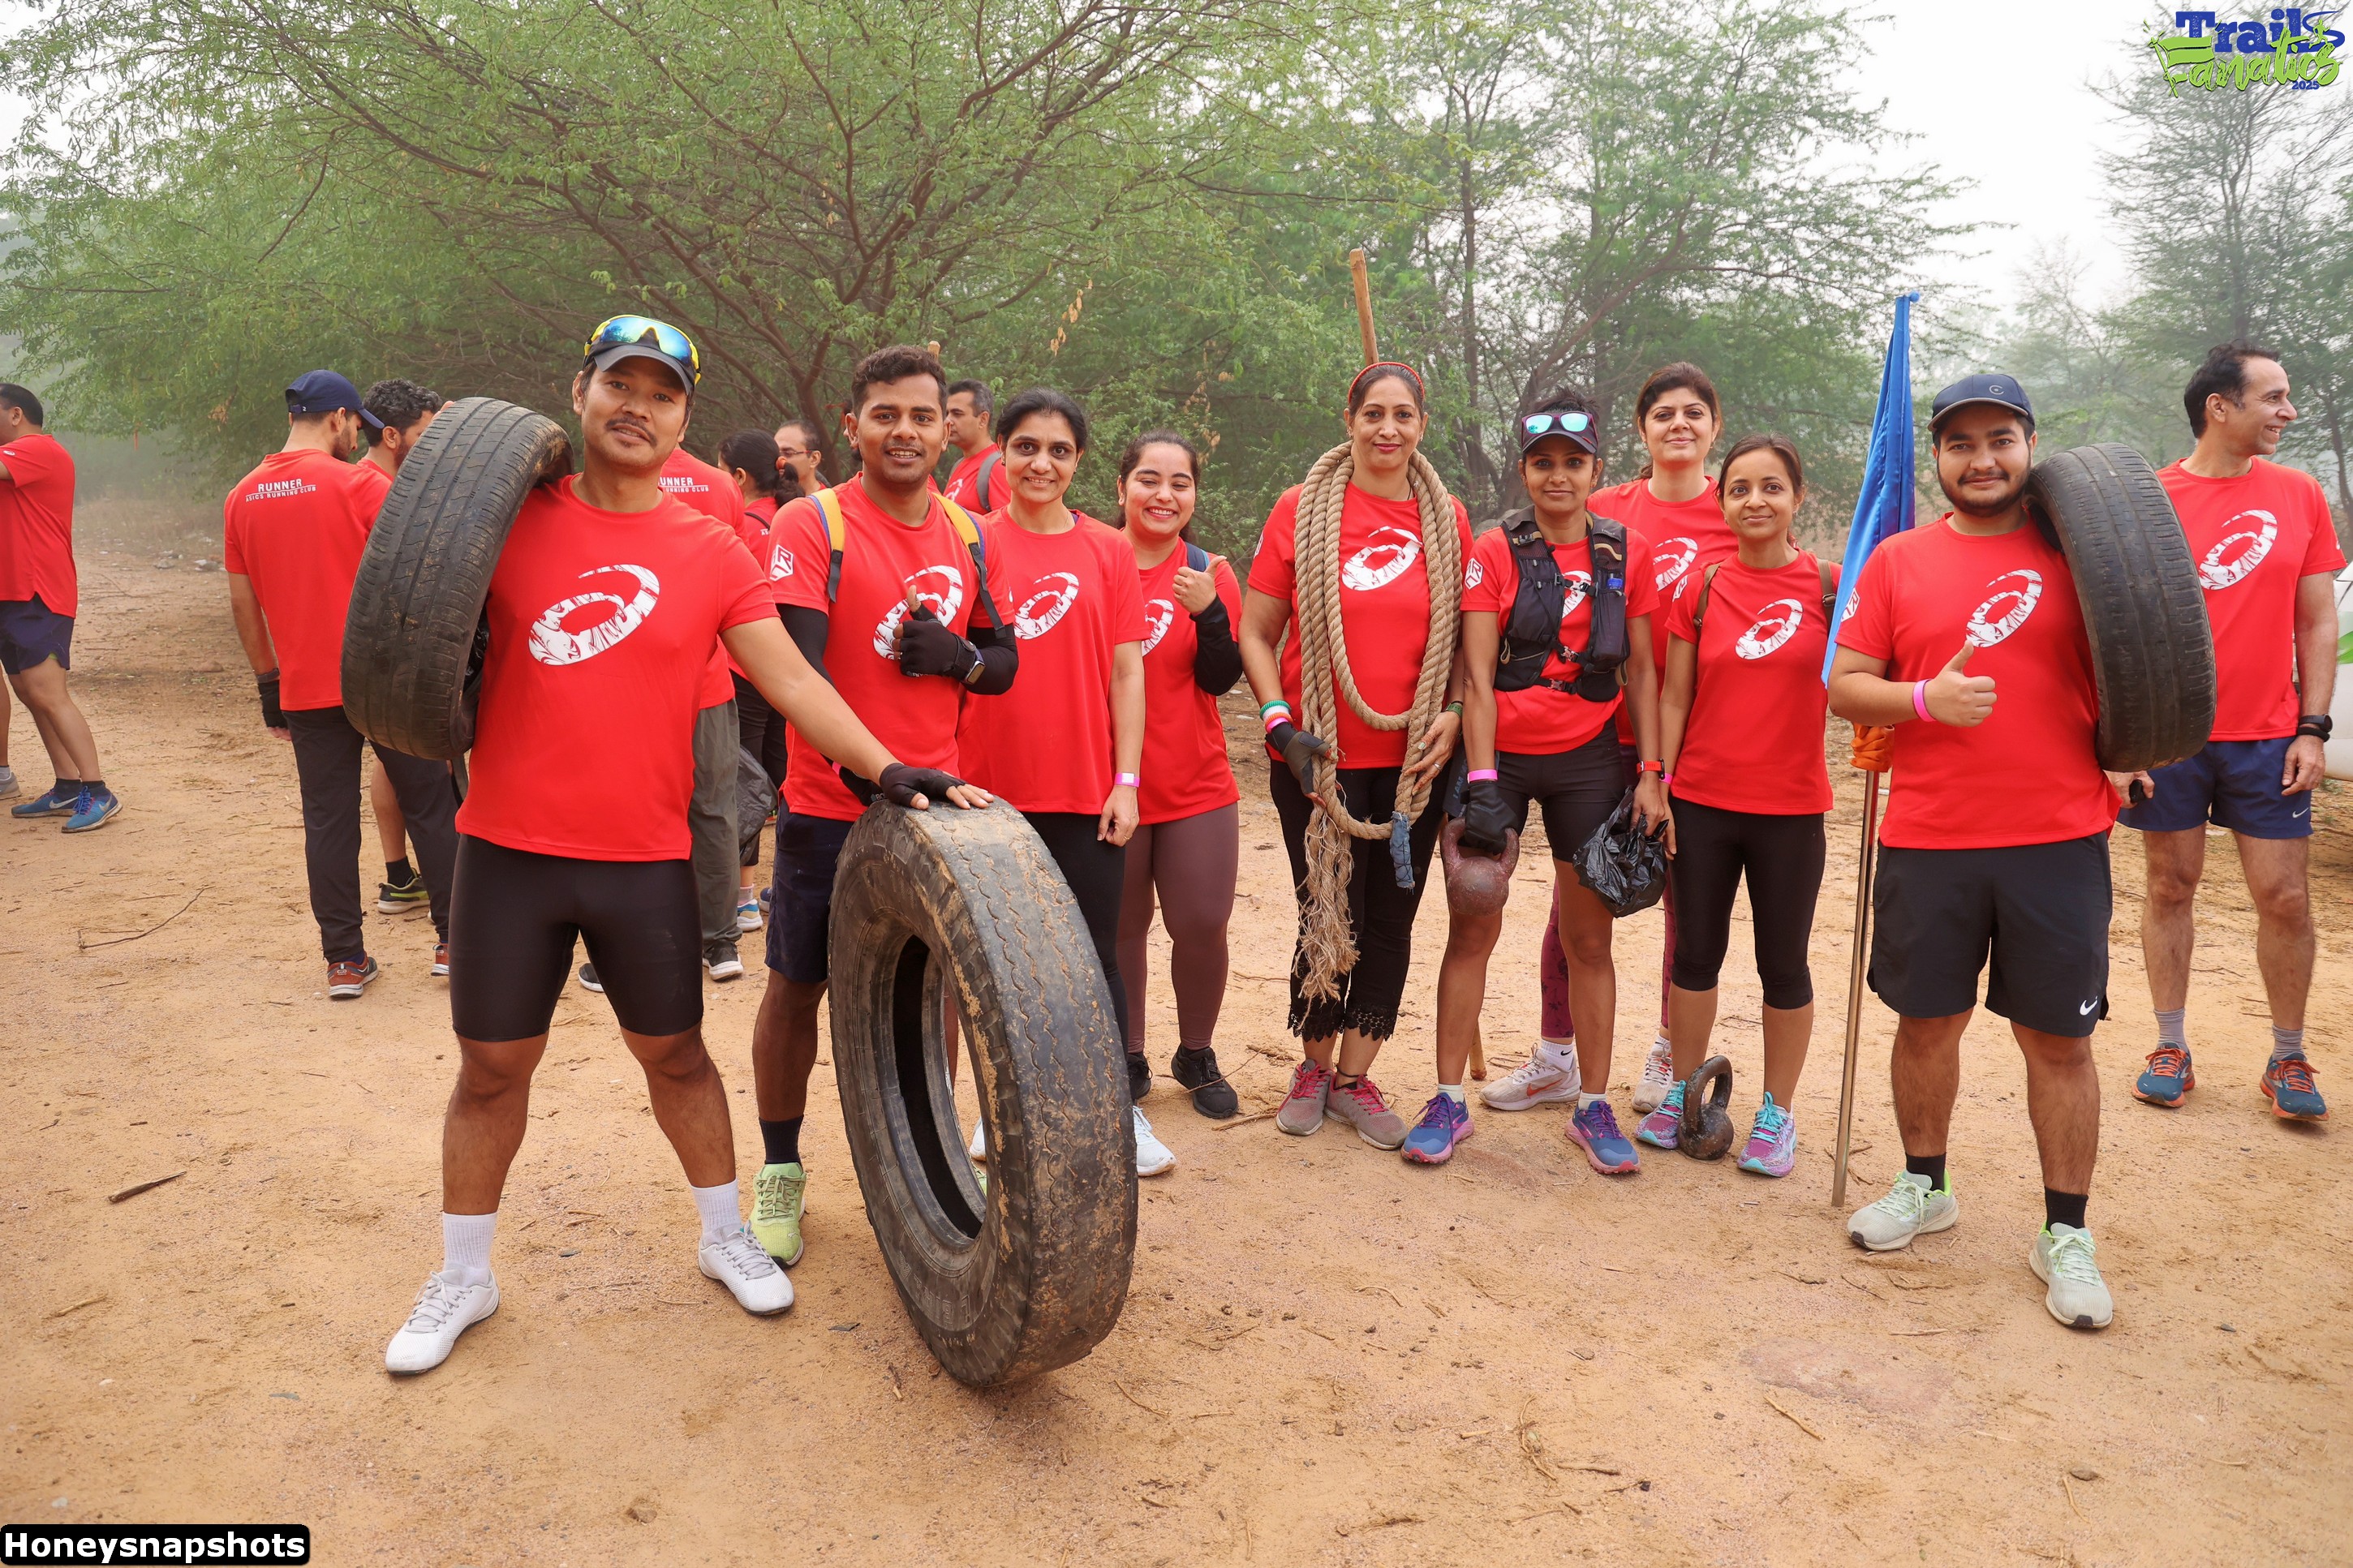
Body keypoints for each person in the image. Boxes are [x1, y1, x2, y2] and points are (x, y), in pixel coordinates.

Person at [384, 318, 984, 1374]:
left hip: (645, 858)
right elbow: (408, 607)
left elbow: (789, 677)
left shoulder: (711, 550)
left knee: (675, 1056)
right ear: (579, 392)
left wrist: (887, 766)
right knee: (490, 1069)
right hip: (509, 852)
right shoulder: (506, 522)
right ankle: (463, 1275)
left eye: (662, 395)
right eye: (620, 385)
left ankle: (723, 1236)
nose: (638, 407)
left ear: (683, 419)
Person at [1830, 373, 2146, 1332]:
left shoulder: (2081, 551)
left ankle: (2065, 1232)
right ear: (1935, 456)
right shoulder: (1897, 560)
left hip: (2057, 836)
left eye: (1998, 439)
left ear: (2028, 445)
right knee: (1926, 1023)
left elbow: (2145, 659)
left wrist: (2133, 747)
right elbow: (1845, 685)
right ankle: (1924, 1186)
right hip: (1929, 838)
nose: (1980, 459)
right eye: (1959, 443)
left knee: (2058, 1041)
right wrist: (1923, 699)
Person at [747, 344, 1020, 1269]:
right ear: (851, 425)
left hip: (939, 809)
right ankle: (780, 1169)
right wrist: (873, 771)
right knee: (797, 986)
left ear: (948, 429)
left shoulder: (972, 531)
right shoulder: (811, 522)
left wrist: (957, 658)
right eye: (886, 415)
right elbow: (799, 673)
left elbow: (1003, 666)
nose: (905, 431)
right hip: (831, 806)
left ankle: (927, 1163)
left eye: (922, 416)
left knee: (933, 991)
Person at [1419, 393, 1667, 1169]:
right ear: (1524, 471)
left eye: (1573, 462)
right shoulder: (1496, 550)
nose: (1558, 475)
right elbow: (1477, 676)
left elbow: (1643, 672)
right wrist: (1482, 779)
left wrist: (1651, 772)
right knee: (1473, 920)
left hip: (1588, 758)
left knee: (1589, 938)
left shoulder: (1625, 552)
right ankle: (1447, 1099)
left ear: (1597, 469)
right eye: (1542, 462)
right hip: (1501, 755)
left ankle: (1593, 1105)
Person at [1241, 362, 1469, 1153]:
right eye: (1372, 412)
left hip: (1413, 763)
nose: (1387, 428)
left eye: (1403, 414)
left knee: (1391, 917)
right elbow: (1255, 631)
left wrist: (1453, 712)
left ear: (1422, 425)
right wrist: (1279, 724)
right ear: (1349, 420)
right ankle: (1312, 1066)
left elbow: (1465, 642)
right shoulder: (1300, 508)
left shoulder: (1446, 516)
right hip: (1317, 756)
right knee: (1326, 910)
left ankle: (1354, 1077)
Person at [2122, 343, 2342, 1123]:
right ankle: (2169, 1045)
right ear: (2220, 406)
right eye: (2273, 397)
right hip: (2174, 735)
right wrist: (2126, 741)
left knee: (2285, 896)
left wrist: (2313, 727)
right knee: (2169, 885)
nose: (2288, 410)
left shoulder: (2299, 493)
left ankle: (2288, 1055)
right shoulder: (2150, 499)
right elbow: (2118, 624)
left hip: (2271, 735)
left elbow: (2318, 621)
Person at [1506, 363, 1727, 1119]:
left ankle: (1668, 1050)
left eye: (1693, 412)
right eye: (1663, 413)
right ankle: (1555, 1056)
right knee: (1575, 905)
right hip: (1598, 735)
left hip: (1693, 740)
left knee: (1682, 903)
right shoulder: (1603, 508)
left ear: (1714, 426)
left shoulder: (1738, 508)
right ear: (1639, 430)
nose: (1679, 425)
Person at [955, 389, 1164, 1173]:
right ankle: (997, 1110)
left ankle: (1115, 1113)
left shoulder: (1109, 549)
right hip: (984, 792)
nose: (1041, 463)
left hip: (1085, 789)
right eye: (1026, 447)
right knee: (989, 964)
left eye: (1059, 450)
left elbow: (1127, 671)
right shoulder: (969, 540)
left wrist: (1126, 779)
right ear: (1001, 452)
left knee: (1092, 959)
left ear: (1079, 461)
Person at [222, 371, 459, 995]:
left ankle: (345, 961)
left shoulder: (241, 497)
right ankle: (455, 943)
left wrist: (267, 683)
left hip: (305, 687)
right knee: (431, 804)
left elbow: (244, 604)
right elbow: (418, 574)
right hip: (383, 683)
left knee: (328, 821)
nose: (357, 436)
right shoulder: (357, 483)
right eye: (355, 424)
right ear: (336, 419)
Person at [1638, 435, 1834, 1177]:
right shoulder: (1703, 588)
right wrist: (1659, 779)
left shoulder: (1830, 587)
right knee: (1694, 956)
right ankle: (1685, 1095)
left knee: (1783, 963)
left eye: (1772, 487)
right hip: (1703, 804)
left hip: (1791, 809)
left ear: (1798, 497)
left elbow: (1865, 676)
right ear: (1722, 502)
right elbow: (1674, 695)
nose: (1756, 501)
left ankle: (1776, 1113)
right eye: (1741, 488)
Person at [1113, 432, 1245, 1120]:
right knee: (1121, 925)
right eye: (1148, 479)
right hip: (1112, 780)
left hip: (1196, 779)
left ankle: (1196, 1052)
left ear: (1195, 494)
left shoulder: (1208, 569)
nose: (1163, 495)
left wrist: (1211, 614)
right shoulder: (1093, 560)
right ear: (1121, 488)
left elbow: (1221, 679)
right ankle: (1127, 1054)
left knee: (1201, 922)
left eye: (1180, 483)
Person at [2, 383, 120, 833]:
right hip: (11, 593)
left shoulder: (38, 449)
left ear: (16, 414)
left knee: (48, 692)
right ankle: (69, 786)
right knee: (30, 693)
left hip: (38, 592)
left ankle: (98, 790)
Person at [359, 379, 449, 916]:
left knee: (390, 762)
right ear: (392, 436)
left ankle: (399, 876)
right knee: (428, 777)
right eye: (426, 434)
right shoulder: (383, 495)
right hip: (394, 658)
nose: (433, 446)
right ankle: (450, 908)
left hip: (374, 662)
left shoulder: (369, 483)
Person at [720, 428, 799, 930]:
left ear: (739, 476)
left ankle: (743, 898)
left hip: (745, 670)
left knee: (743, 783)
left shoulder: (743, 528)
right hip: (789, 670)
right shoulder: (793, 519)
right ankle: (782, 885)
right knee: (781, 775)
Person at [942, 380, 1004, 512]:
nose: (948, 421)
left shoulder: (999, 466)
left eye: (957, 414)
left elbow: (1006, 522)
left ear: (983, 420)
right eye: (946, 414)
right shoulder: (958, 466)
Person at [772, 417, 828, 495]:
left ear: (814, 459)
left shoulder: (830, 501)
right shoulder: (766, 499)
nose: (779, 461)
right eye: (775, 453)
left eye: (788, 453)